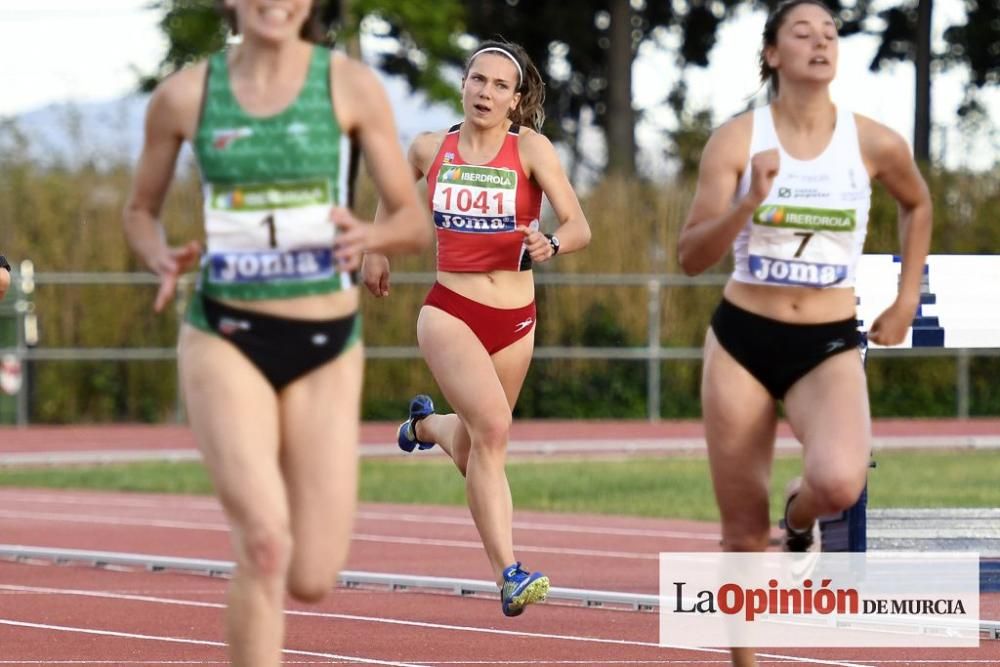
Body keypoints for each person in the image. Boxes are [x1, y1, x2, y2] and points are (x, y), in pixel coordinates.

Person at [122, 1, 430, 664]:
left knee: (313, 573)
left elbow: (412, 221)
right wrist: (157, 254)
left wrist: (370, 233)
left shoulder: (347, 85)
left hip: (326, 345)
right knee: (263, 541)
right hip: (224, 334)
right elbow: (139, 209)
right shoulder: (185, 95)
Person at [677, 0, 931, 663]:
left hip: (827, 342)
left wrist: (906, 296)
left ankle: (800, 518)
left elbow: (917, 201)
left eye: (830, 33)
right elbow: (690, 255)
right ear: (772, 54)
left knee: (841, 481)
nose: (820, 41)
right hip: (741, 341)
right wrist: (747, 205)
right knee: (740, 530)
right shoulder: (737, 140)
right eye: (802, 31)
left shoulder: (873, 141)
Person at [362, 39, 591, 617]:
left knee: (474, 448)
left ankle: (429, 427)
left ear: (516, 101)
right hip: (450, 311)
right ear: (462, 86)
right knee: (493, 431)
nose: (486, 92)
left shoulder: (531, 150)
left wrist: (552, 241)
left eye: (499, 85)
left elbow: (578, 224)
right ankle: (509, 574)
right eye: (477, 80)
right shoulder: (428, 148)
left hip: (516, 320)